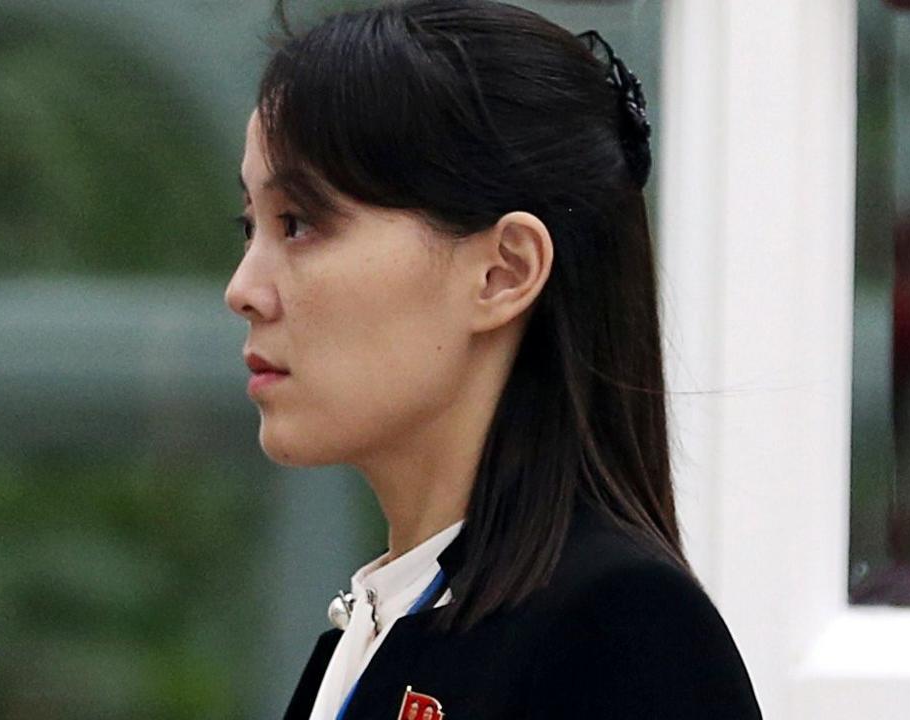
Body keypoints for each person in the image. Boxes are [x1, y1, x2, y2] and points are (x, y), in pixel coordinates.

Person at [224, 1, 764, 718]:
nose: (243, 290)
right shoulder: (378, 630)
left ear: (504, 272)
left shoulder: (619, 629)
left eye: (300, 223)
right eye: (249, 227)